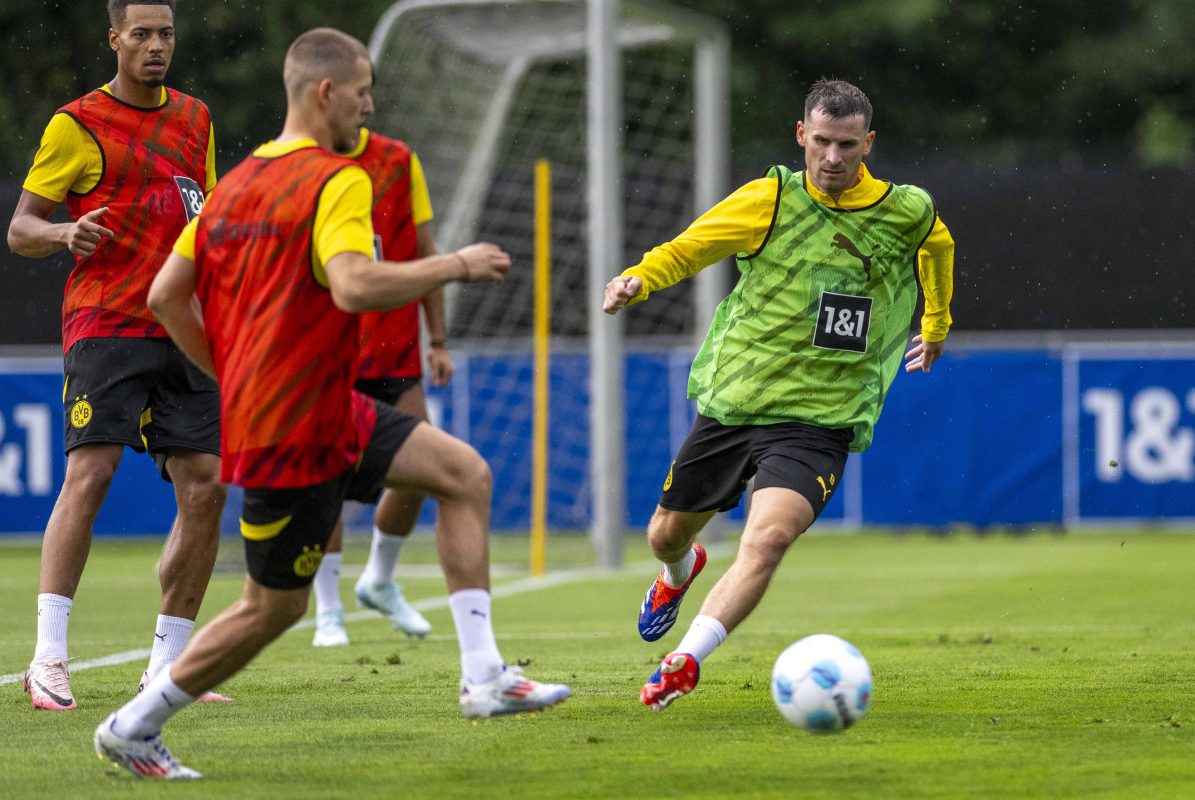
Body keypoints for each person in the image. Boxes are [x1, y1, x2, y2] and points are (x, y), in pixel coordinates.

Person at [93, 28, 571, 779]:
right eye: (361, 92)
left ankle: (484, 676)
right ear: (326, 93)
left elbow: (165, 295)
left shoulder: (234, 186)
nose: (368, 107)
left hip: (318, 409)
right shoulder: (337, 179)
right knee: (271, 608)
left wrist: (231, 372)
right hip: (294, 430)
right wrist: (454, 264)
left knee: (463, 475)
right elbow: (352, 284)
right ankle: (132, 725)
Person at [603, 79, 955, 712]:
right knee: (663, 536)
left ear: (868, 143)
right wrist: (638, 278)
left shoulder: (905, 211)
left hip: (820, 419)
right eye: (821, 142)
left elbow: (938, 247)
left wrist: (935, 325)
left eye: (847, 145)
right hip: (739, 402)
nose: (832, 157)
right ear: (801, 135)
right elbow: (691, 248)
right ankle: (678, 573)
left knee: (766, 540)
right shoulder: (768, 199)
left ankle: (685, 660)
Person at [5, 0, 229, 710]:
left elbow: (204, 221)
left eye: (165, 33)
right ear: (114, 40)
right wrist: (64, 233)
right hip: (107, 323)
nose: (156, 45)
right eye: (142, 34)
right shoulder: (76, 124)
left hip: (184, 326)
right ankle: (48, 659)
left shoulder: (195, 119)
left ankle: (168, 668)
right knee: (92, 473)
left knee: (207, 486)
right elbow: (21, 229)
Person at [310, 126, 450, 647]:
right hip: (329, 352)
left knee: (425, 469)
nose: (365, 103)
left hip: (395, 350)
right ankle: (328, 610)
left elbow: (425, 250)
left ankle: (379, 578)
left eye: (368, 92)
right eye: (358, 92)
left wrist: (438, 341)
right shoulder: (302, 163)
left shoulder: (397, 160)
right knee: (326, 479)